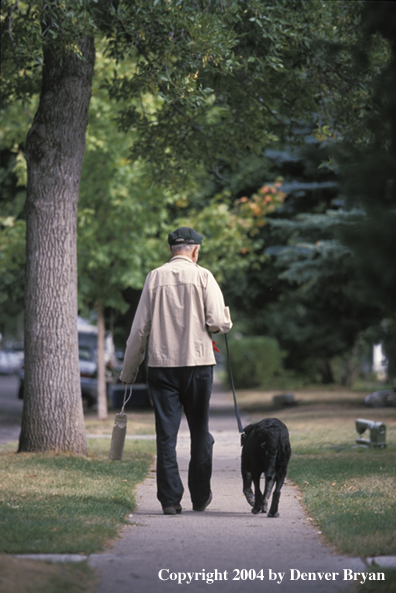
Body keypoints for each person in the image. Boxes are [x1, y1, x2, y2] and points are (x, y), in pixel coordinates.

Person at [120, 226, 232, 515]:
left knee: (166, 436)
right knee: (200, 433)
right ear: (195, 249)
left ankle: (170, 500)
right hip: (198, 365)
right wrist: (221, 322)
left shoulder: (154, 278)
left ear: (171, 250)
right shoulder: (204, 276)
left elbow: (140, 329)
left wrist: (129, 372)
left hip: (161, 365)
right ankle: (200, 497)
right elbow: (218, 322)